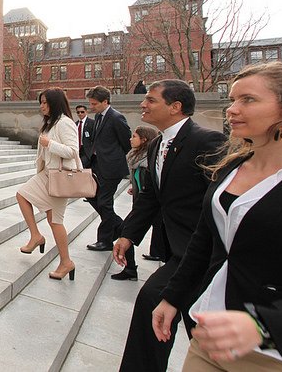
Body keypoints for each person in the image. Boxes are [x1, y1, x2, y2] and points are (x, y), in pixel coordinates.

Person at [152, 63, 282, 371]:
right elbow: (205, 239)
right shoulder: (230, 167)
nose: (232, 109)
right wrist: (173, 296)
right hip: (209, 335)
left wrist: (263, 327)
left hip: (278, 353)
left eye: (248, 100)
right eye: (232, 99)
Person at [113, 79, 227, 372]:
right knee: (157, 306)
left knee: (199, 330)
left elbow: (218, 203)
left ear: (175, 107)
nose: (143, 104)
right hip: (179, 251)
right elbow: (151, 198)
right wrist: (128, 236)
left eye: (151, 100)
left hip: (205, 254)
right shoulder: (157, 145)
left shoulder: (207, 141)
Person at [15, 88, 79, 281]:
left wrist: (49, 143)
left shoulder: (65, 123)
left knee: (55, 221)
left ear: (55, 103)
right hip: (46, 175)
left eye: (45, 102)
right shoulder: (50, 124)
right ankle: (36, 236)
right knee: (22, 194)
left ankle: (66, 262)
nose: (42, 106)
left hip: (60, 178)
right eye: (40, 103)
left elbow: (72, 151)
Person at [84, 86, 137, 278]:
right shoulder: (98, 117)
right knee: (92, 196)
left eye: (94, 104)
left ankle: (113, 233)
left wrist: (114, 158)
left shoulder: (116, 117)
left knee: (105, 203)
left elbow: (126, 141)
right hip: (98, 165)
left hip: (111, 168)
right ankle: (113, 230)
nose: (92, 107)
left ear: (105, 101)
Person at [126, 125, 166, 262]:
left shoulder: (147, 160)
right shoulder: (135, 157)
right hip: (140, 199)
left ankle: (131, 268)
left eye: (134, 136)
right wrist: (135, 187)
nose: (131, 139)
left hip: (147, 204)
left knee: (126, 231)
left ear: (144, 139)